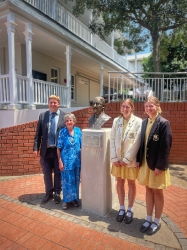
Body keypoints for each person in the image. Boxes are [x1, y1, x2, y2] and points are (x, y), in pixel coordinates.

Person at [137, 96, 172, 235]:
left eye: (151, 106)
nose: (148, 108)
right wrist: (139, 160)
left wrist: (160, 166)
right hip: (146, 164)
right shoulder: (145, 122)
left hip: (157, 166)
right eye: (146, 106)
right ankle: (148, 218)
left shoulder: (164, 123)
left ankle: (157, 221)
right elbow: (142, 143)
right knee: (148, 190)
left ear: (158, 106)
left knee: (157, 192)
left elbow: (166, 146)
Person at [110, 99, 142, 224]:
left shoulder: (138, 122)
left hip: (130, 160)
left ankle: (130, 209)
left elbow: (136, 143)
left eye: (127, 107)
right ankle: (122, 208)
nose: (125, 109)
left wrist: (126, 160)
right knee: (119, 183)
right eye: (123, 106)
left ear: (132, 108)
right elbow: (112, 140)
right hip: (117, 159)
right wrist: (114, 158)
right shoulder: (116, 121)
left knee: (131, 184)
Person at [33, 95, 66, 204]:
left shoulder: (64, 116)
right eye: (51, 102)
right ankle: (48, 193)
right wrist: (35, 148)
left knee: (58, 172)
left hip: (58, 151)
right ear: (48, 103)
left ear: (58, 104)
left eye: (55, 102)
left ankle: (57, 193)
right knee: (46, 173)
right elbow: (38, 134)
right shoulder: (43, 116)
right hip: (45, 150)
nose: (52, 104)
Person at [57, 113, 82, 210]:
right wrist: (60, 162)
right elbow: (58, 148)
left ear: (74, 121)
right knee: (67, 182)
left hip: (77, 162)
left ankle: (74, 199)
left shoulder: (78, 131)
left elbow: (82, 146)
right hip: (66, 162)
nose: (68, 122)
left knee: (75, 181)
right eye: (67, 120)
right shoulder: (62, 132)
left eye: (70, 120)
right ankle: (66, 201)